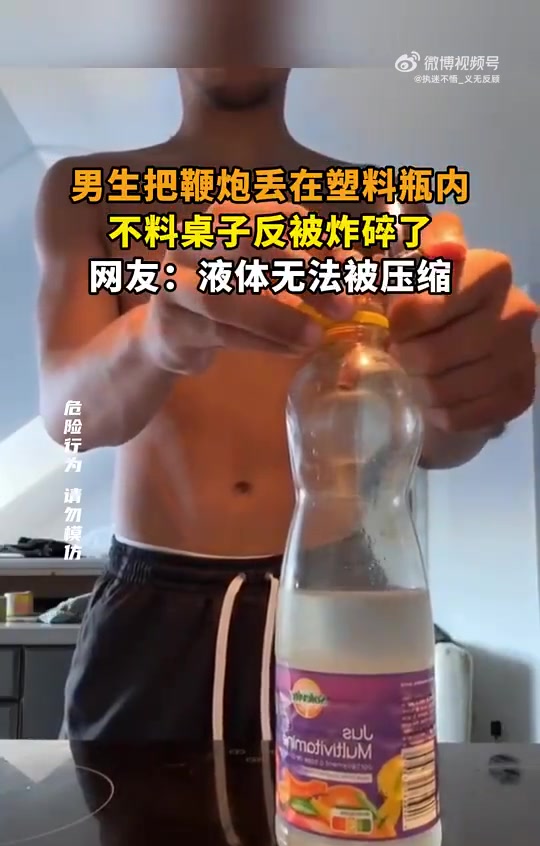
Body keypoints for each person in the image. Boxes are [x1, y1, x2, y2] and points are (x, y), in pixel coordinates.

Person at [35, 68, 537, 743]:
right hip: (153, 603)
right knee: (123, 814)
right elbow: (68, 417)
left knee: (346, 813)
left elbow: (435, 436)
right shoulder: (86, 191)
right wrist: (157, 334)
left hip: (333, 589)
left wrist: (472, 394)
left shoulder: (374, 204)